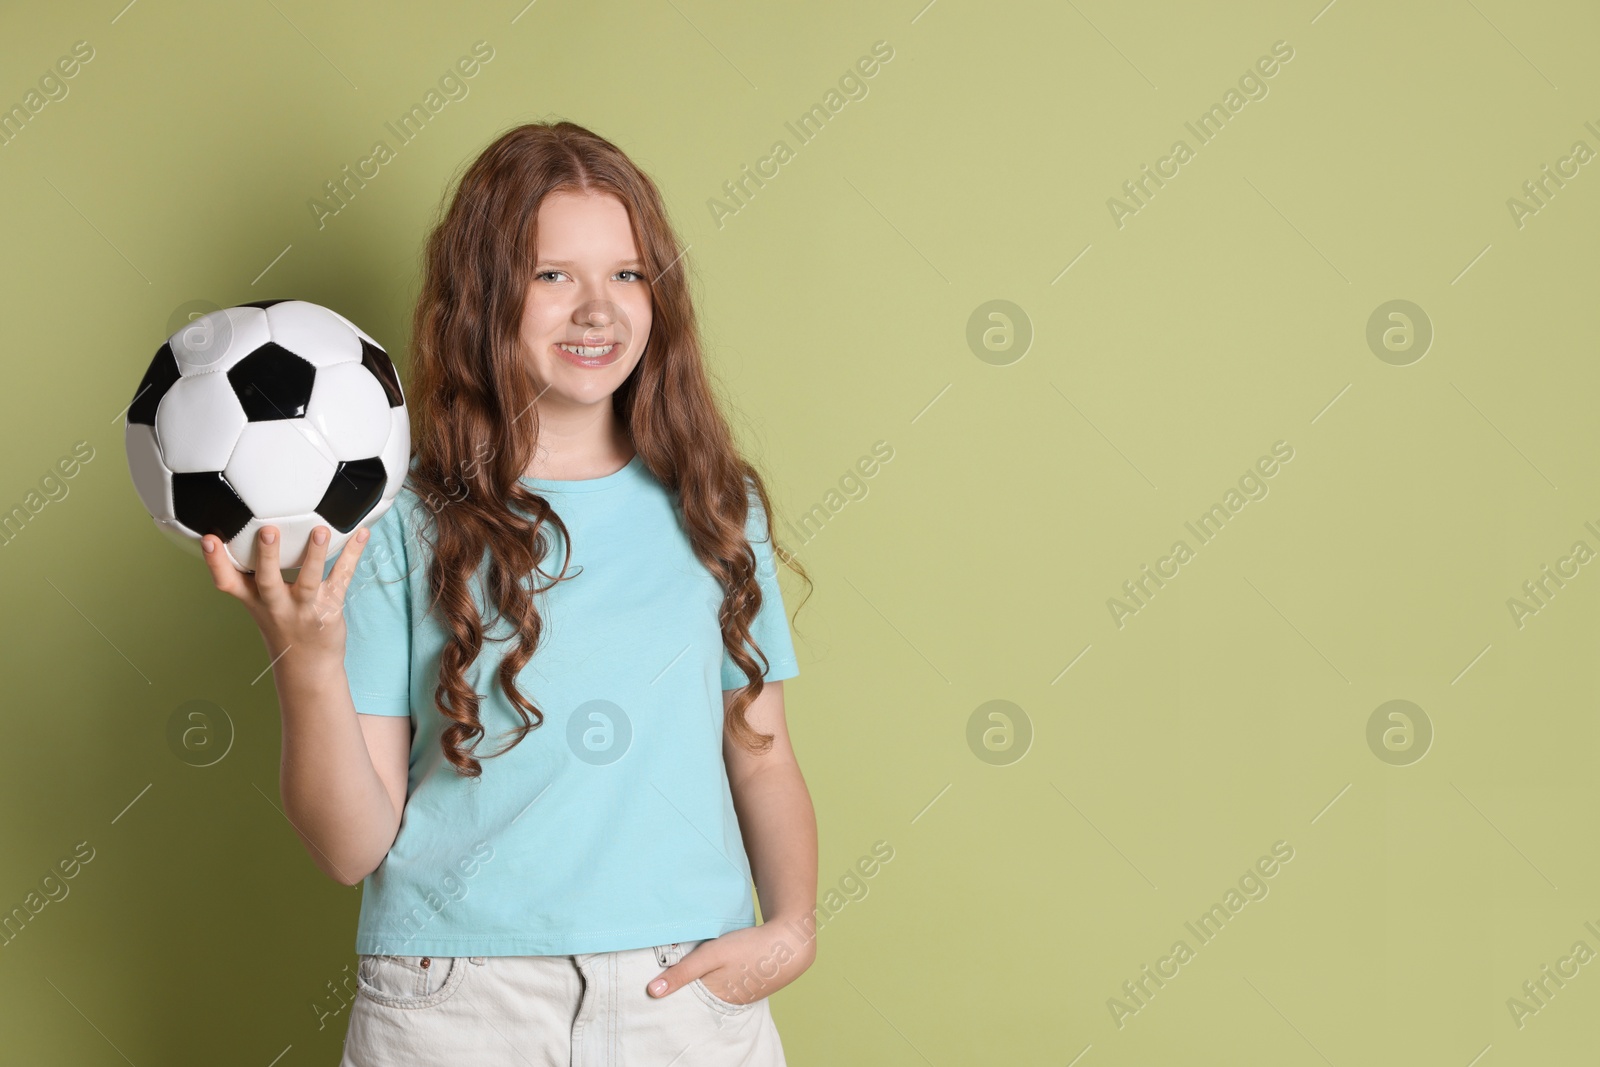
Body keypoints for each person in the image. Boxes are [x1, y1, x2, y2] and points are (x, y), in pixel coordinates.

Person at [201, 120, 818, 1066]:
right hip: (457, 1007)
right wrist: (309, 661)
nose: (597, 310)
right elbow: (350, 848)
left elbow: (763, 756)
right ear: (485, 296)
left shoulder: (716, 506)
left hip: (686, 995)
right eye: (552, 275)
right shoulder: (396, 524)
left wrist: (793, 927)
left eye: (626, 273)